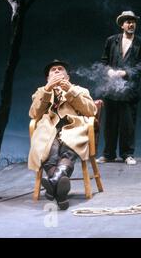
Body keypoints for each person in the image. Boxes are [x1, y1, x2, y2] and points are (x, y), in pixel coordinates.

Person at [28, 60, 97, 210]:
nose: (57, 71)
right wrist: (47, 90)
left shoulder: (80, 90)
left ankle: (53, 183)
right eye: (53, 70)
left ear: (67, 76)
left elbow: (91, 111)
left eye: (61, 69)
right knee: (47, 150)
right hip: (49, 130)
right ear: (48, 77)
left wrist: (70, 90)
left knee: (69, 146)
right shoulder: (41, 91)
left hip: (73, 128)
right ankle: (60, 192)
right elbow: (34, 113)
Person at [98, 10, 141, 165]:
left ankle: (127, 154)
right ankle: (108, 154)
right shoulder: (111, 41)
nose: (131, 24)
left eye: (133, 21)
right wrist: (108, 71)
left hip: (129, 91)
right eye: (127, 21)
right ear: (122, 25)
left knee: (128, 124)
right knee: (110, 124)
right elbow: (104, 61)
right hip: (111, 89)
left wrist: (125, 73)